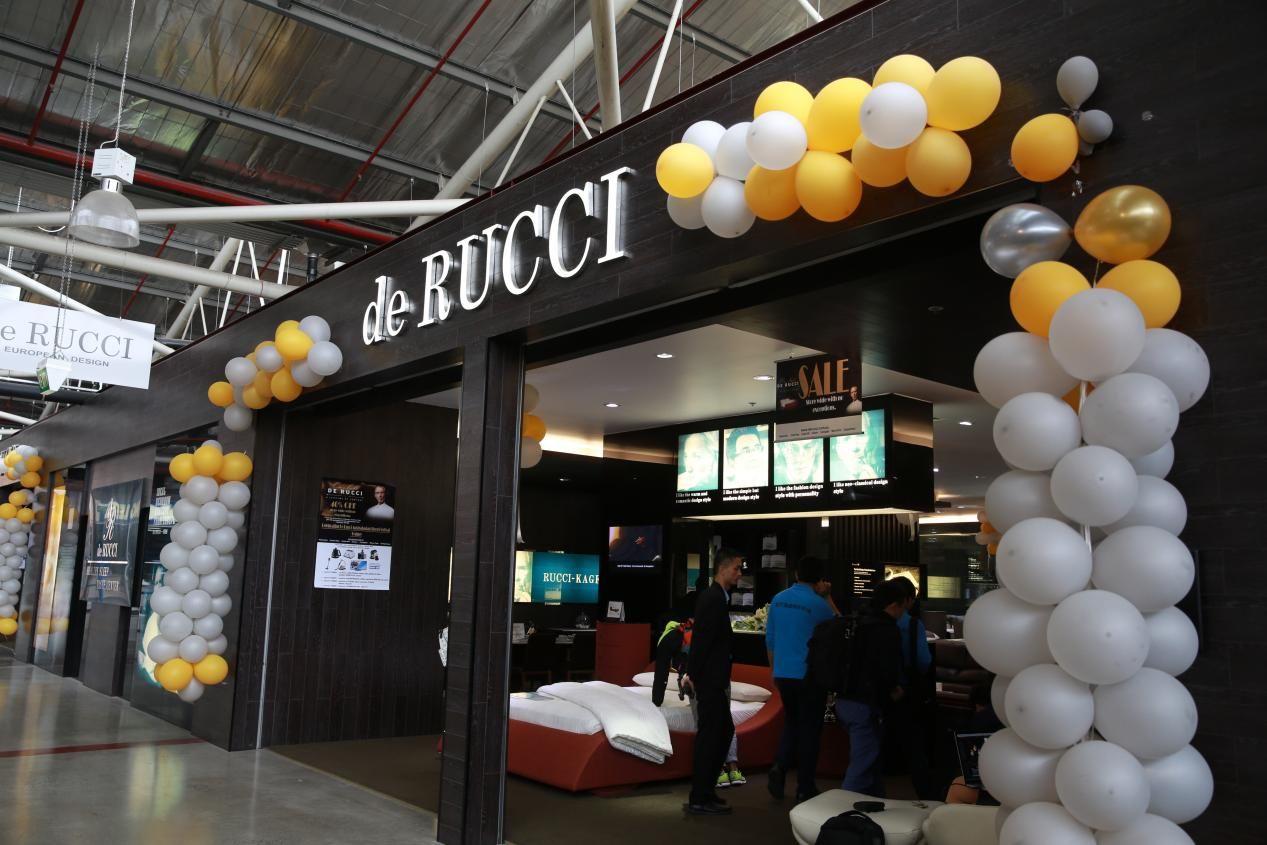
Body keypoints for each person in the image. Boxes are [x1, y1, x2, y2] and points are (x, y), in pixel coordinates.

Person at [765, 555, 839, 802]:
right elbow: (840, 627)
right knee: (810, 730)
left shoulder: (778, 599)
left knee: (792, 722)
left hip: (783, 673)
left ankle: (779, 767)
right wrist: (827, 597)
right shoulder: (819, 605)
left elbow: (770, 639)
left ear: (796, 574)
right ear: (820, 579)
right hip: (810, 675)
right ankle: (805, 786)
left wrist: (774, 671)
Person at [685, 548, 743, 815]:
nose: (739, 573)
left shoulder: (719, 597)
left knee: (722, 732)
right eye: (736, 568)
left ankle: (705, 791)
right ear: (723, 568)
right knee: (711, 736)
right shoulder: (712, 599)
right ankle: (699, 796)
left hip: (714, 679)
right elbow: (701, 641)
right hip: (709, 680)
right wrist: (692, 675)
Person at [835, 580, 905, 797]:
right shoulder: (887, 630)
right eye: (902, 607)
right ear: (893, 605)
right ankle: (842, 811)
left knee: (870, 758)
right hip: (865, 703)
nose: (903, 613)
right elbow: (886, 669)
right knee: (863, 763)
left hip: (844, 699)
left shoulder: (856, 622)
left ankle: (876, 804)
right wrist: (894, 690)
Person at [887, 577, 936, 799]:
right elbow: (924, 661)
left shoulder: (872, 621)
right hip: (906, 691)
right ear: (906, 600)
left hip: (877, 691)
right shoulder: (913, 625)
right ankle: (926, 795)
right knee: (914, 744)